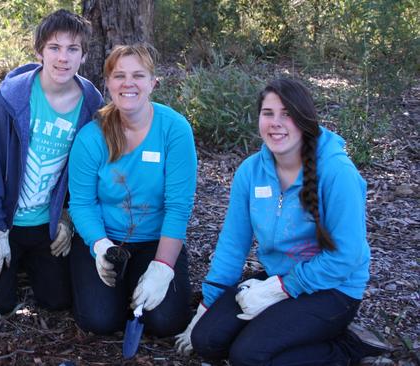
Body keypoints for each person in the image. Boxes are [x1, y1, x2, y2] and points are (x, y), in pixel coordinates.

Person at [174, 78, 393, 364]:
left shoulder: (338, 173)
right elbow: (232, 245)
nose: (276, 122)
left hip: (332, 288)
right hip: (277, 279)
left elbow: (347, 255)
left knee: (249, 356)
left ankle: (349, 349)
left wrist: (281, 288)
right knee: (206, 340)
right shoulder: (251, 172)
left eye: (287, 114)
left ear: (304, 119)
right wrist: (206, 306)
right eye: (268, 113)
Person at [0, 9, 104, 315]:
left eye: (73, 49)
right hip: (4, 220)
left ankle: (29, 260)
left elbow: (85, 169)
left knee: (56, 302)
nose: (63, 58)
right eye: (54, 47)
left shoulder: (91, 104)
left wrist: (68, 216)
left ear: (83, 56)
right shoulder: (13, 98)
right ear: (40, 50)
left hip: (47, 222)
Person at [68, 43, 198, 337]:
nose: (128, 83)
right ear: (109, 83)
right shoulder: (91, 137)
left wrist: (163, 266)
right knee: (99, 321)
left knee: (166, 323)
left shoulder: (174, 130)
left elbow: (179, 206)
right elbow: (82, 203)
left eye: (138, 76)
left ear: (153, 83)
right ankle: (112, 290)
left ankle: (142, 282)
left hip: (155, 239)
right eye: (119, 75)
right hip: (105, 239)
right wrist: (99, 244)